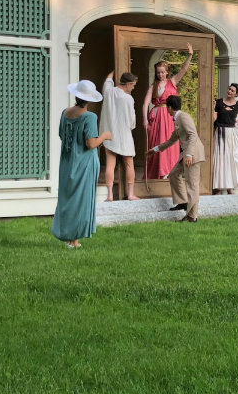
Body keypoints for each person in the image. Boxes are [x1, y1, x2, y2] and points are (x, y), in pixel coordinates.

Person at [52, 80, 114, 248]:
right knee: (81, 199)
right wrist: (105, 136)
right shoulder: (89, 117)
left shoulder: (65, 113)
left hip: (67, 161)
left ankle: (68, 236)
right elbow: (91, 143)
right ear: (90, 99)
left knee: (68, 198)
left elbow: (61, 135)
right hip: (84, 163)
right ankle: (74, 240)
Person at [147, 95, 205, 222]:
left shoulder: (183, 117)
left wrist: (189, 154)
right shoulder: (177, 119)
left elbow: (192, 135)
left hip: (193, 154)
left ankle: (192, 217)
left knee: (192, 185)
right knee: (173, 174)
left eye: (166, 107)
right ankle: (183, 202)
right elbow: (172, 139)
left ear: (169, 107)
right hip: (186, 155)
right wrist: (155, 149)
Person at [142, 43, 195, 183]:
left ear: (167, 72)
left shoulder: (172, 82)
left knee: (171, 142)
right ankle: (159, 171)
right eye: (158, 72)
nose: (160, 74)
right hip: (157, 116)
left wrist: (190, 55)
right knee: (158, 142)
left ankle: (169, 171)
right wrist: (144, 120)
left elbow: (184, 69)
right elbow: (146, 103)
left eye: (162, 72)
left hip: (170, 115)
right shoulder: (153, 86)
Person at [101, 71, 139, 200]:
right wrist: (131, 125)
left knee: (110, 164)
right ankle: (130, 194)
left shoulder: (108, 91)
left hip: (109, 134)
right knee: (129, 164)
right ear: (127, 84)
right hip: (124, 135)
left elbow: (108, 78)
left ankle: (110, 195)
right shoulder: (128, 98)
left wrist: (113, 71)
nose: (133, 88)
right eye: (133, 85)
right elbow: (132, 121)